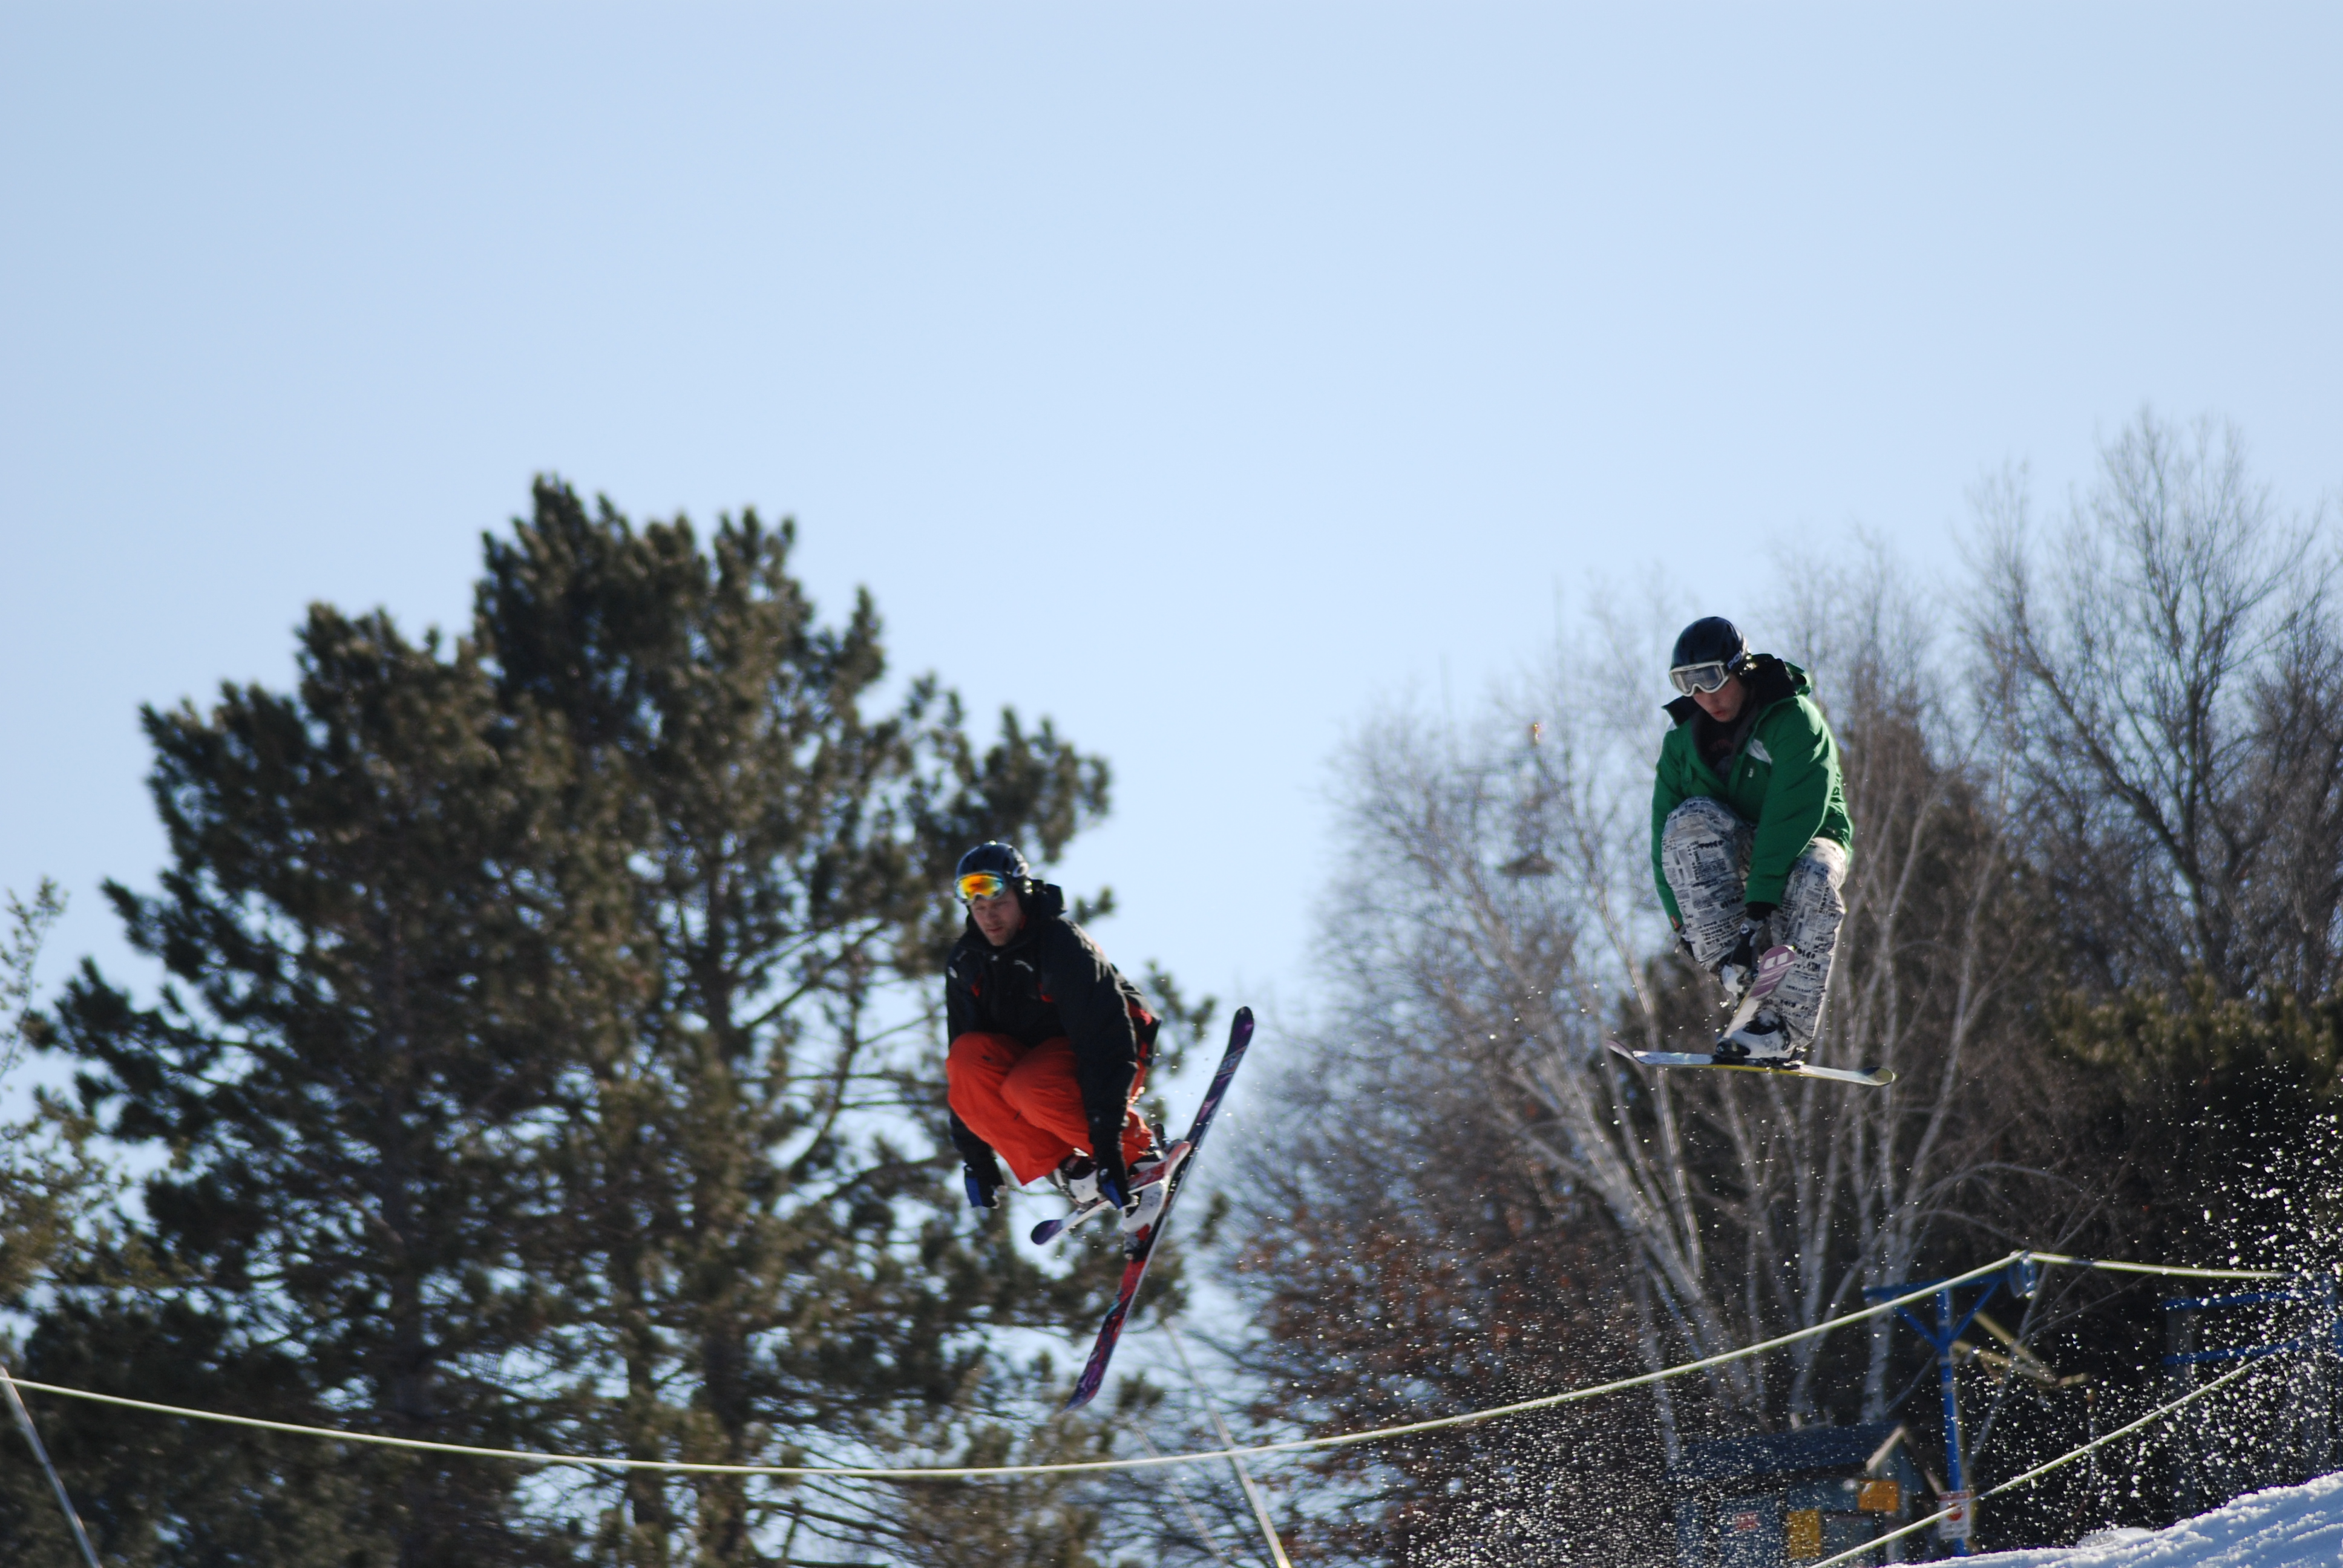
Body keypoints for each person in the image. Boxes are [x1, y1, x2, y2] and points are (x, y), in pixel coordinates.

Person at [943, 841, 1176, 1232]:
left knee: (1030, 1086)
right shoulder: (968, 964)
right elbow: (964, 1073)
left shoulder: (1060, 944)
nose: (989, 917)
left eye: (998, 904)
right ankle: (1073, 1170)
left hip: (1115, 1047)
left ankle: (1142, 1157)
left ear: (1022, 893)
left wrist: (1112, 1147)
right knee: (968, 1058)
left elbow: (1105, 1038)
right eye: (978, 908)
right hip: (1040, 1064)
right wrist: (977, 1158)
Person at [1650, 616, 1854, 1063]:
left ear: (1739, 668)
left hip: (1806, 836)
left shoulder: (1792, 719)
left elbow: (1792, 816)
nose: (1706, 697)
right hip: (1734, 844)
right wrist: (1680, 922)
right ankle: (1736, 968)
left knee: (1812, 879)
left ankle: (1783, 1027)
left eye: (1713, 680)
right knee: (1689, 821)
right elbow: (1664, 835)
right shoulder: (1682, 741)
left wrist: (1760, 905)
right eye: (1690, 685)